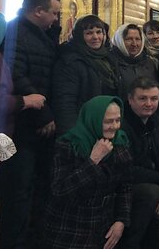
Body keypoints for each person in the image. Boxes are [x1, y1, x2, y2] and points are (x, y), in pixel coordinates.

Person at [0, 0, 58, 248]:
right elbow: (18, 78)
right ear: (38, 11)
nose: (57, 18)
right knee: (17, 196)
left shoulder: (39, 35)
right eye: (54, 13)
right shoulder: (15, 34)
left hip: (33, 128)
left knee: (35, 192)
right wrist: (43, 114)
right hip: (20, 129)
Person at [43, 96, 132, 249]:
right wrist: (93, 160)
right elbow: (60, 190)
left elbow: (125, 187)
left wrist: (121, 221)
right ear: (93, 119)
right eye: (108, 121)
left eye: (118, 120)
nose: (115, 126)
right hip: (70, 228)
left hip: (102, 228)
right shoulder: (69, 144)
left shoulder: (120, 143)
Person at [119, 78, 159, 249]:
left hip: (153, 191)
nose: (149, 104)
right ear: (130, 100)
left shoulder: (156, 121)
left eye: (154, 98)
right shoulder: (121, 125)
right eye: (143, 98)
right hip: (126, 191)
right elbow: (126, 170)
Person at [52, 15, 120, 135]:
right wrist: (73, 135)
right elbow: (65, 102)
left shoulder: (108, 58)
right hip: (83, 127)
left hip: (107, 124)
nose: (95, 37)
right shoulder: (70, 61)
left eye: (99, 32)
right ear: (79, 36)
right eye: (89, 33)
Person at [110, 24, 158, 102]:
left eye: (137, 39)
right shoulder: (110, 63)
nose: (134, 44)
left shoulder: (149, 63)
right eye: (129, 39)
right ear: (120, 40)